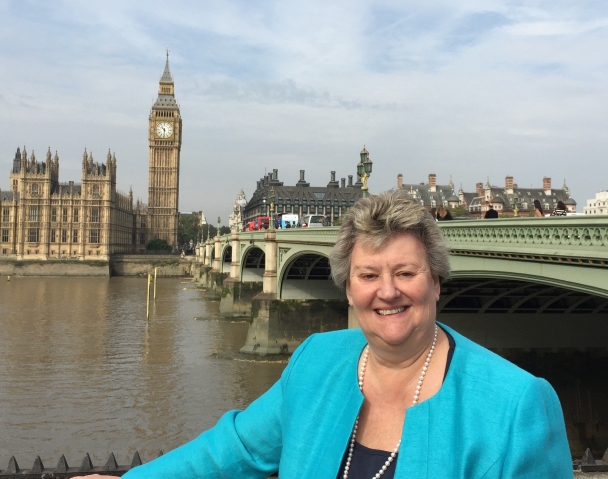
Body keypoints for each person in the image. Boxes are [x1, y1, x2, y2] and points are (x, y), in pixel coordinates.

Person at [99, 191, 572, 478]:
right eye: (368, 276)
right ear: (348, 289)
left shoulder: (517, 405)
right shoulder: (317, 360)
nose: (387, 292)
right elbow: (236, 449)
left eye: (406, 272)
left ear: (436, 282)